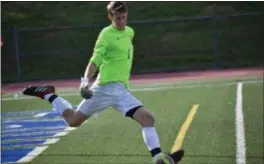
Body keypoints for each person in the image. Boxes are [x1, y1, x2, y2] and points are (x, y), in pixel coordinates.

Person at [23, 2, 184, 164]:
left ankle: (158, 159)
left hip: (121, 91)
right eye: (117, 18)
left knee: (147, 118)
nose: (121, 21)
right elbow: (95, 61)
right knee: (73, 121)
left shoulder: (130, 32)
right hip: (103, 89)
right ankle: (48, 94)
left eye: (123, 17)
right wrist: (85, 82)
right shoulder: (105, 35)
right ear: (110, 17)